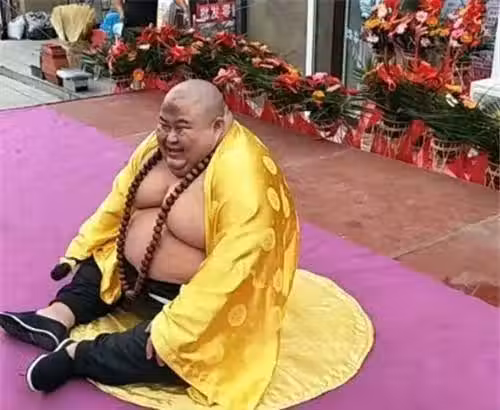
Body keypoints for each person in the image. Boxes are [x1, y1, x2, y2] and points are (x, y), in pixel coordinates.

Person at [0, 79, 298, 409]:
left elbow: (237, 264)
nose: (170, 138)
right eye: (164, 125)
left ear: (216, 127)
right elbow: (118, 202)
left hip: (199, 299)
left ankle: (79, 356)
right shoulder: (156, 149)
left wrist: (179, 324)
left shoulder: (245, 174)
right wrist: (80, 248)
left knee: (179, 352)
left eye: (182, 128)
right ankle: (57, 316)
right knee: (105, 252)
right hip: (132, 275)